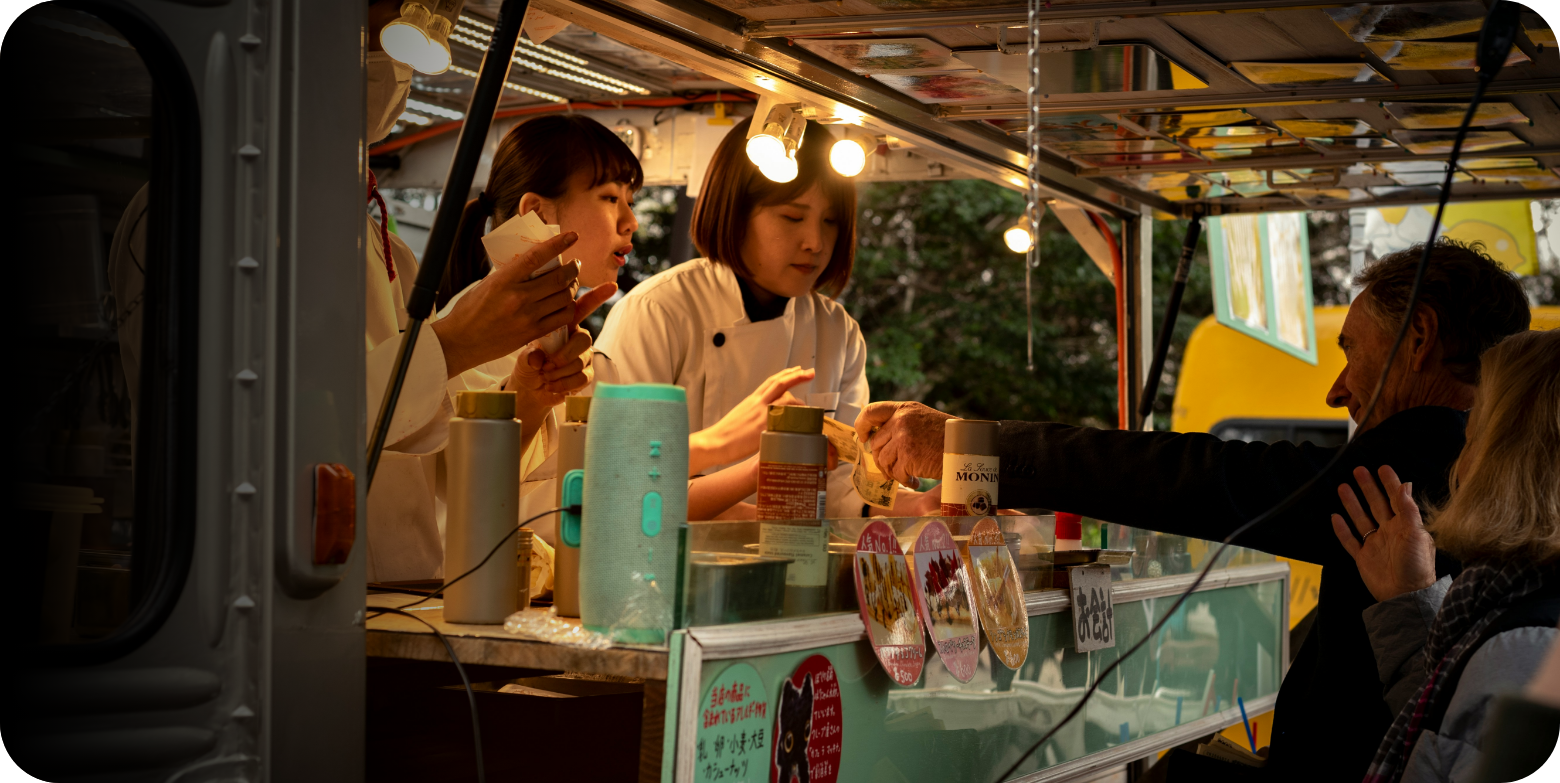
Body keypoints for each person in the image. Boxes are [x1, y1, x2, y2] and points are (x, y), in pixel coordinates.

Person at [856, 239, 1532, 781]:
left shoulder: (1414, 465)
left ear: (1418, 338)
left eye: (1351, 352)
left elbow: (1192, 478)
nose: (1336, 390)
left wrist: (970, 450)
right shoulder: (1484, 476)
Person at [437, 115, 818, 534]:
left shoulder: (576, 347)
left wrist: (756, 476)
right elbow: (470, 491)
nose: (630, 221)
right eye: (608, 198)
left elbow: (624, 497)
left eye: (630, 200)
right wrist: (720, 444)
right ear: (537, 213)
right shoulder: (469, 338)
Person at [361, 3, 607, 582]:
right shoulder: (198, 213)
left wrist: (525, 393)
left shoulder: (383, 247)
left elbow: (434, 472)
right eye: (609, 196)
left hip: (404, 593)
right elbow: (279, 431)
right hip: (308, 607)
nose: (630, 223)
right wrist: (455, 342)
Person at [595, 116, 934, 518]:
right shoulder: (659, 312)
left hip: (796, 560)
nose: (816, 242)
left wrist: (923, 505)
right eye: (792, 217)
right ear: (734, 212)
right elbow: (622, 482)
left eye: (831, 221)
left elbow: (845, 486)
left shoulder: (836, 331)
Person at [1331, 328, 1560, 783]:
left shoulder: (1528, 654)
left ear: (1510, 462)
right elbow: (1451, 740)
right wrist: (1410, 602)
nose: (1459, 464)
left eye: (1472, 437)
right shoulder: (1519, 619)